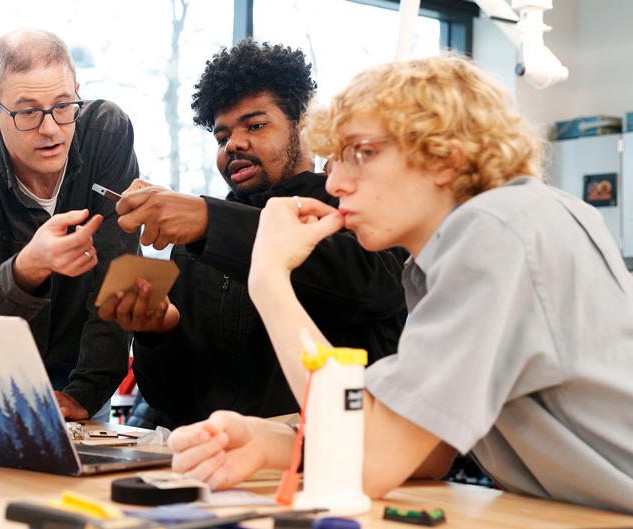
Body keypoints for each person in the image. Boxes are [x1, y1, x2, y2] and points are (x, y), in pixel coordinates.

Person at [168, 56, 633, 514]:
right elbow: (427, 451)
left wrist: (269, 278)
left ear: (446, 156)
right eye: (338, 160)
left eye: (363, 154)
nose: (337, 185)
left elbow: (372, 461)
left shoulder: (494, 231)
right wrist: (270, 441)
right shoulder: (485, 235)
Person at [98, 40, 407, 427]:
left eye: (256, 125)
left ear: (305, 125)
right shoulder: (194, 245)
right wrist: (159, 333)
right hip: (219, 462)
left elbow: (369, 284)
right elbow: (172, 401)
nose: (234, 145)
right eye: (221, 137)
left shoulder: (353, 214)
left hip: (335, 454)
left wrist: (212, 222)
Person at [0, 30, 139, 420]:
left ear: (77, 92)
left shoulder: (105, 133)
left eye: (62, 105)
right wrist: (29, 266)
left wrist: (86, 395)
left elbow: (116, 274)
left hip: (78, 386)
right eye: (28, 112)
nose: (51, 128)